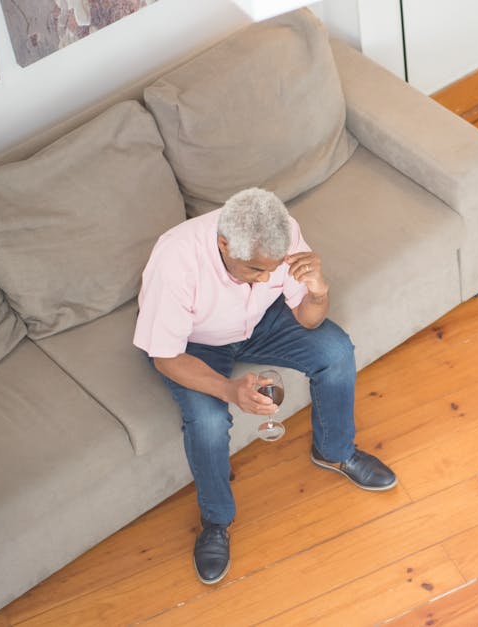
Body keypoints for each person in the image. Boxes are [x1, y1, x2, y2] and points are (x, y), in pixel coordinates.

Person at [133, 187, 396, 584]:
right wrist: (228, 390)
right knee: (206, 422)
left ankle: (334, 451)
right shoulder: (176, 261)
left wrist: (319, 291)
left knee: (336, 350)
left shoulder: (282, 235)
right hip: (194, 343)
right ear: (224, 245)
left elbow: (308, 320)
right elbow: (165, 357)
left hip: (259, 322)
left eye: (274, 268)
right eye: (258, 270)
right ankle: (216, 521)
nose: (270, 276)